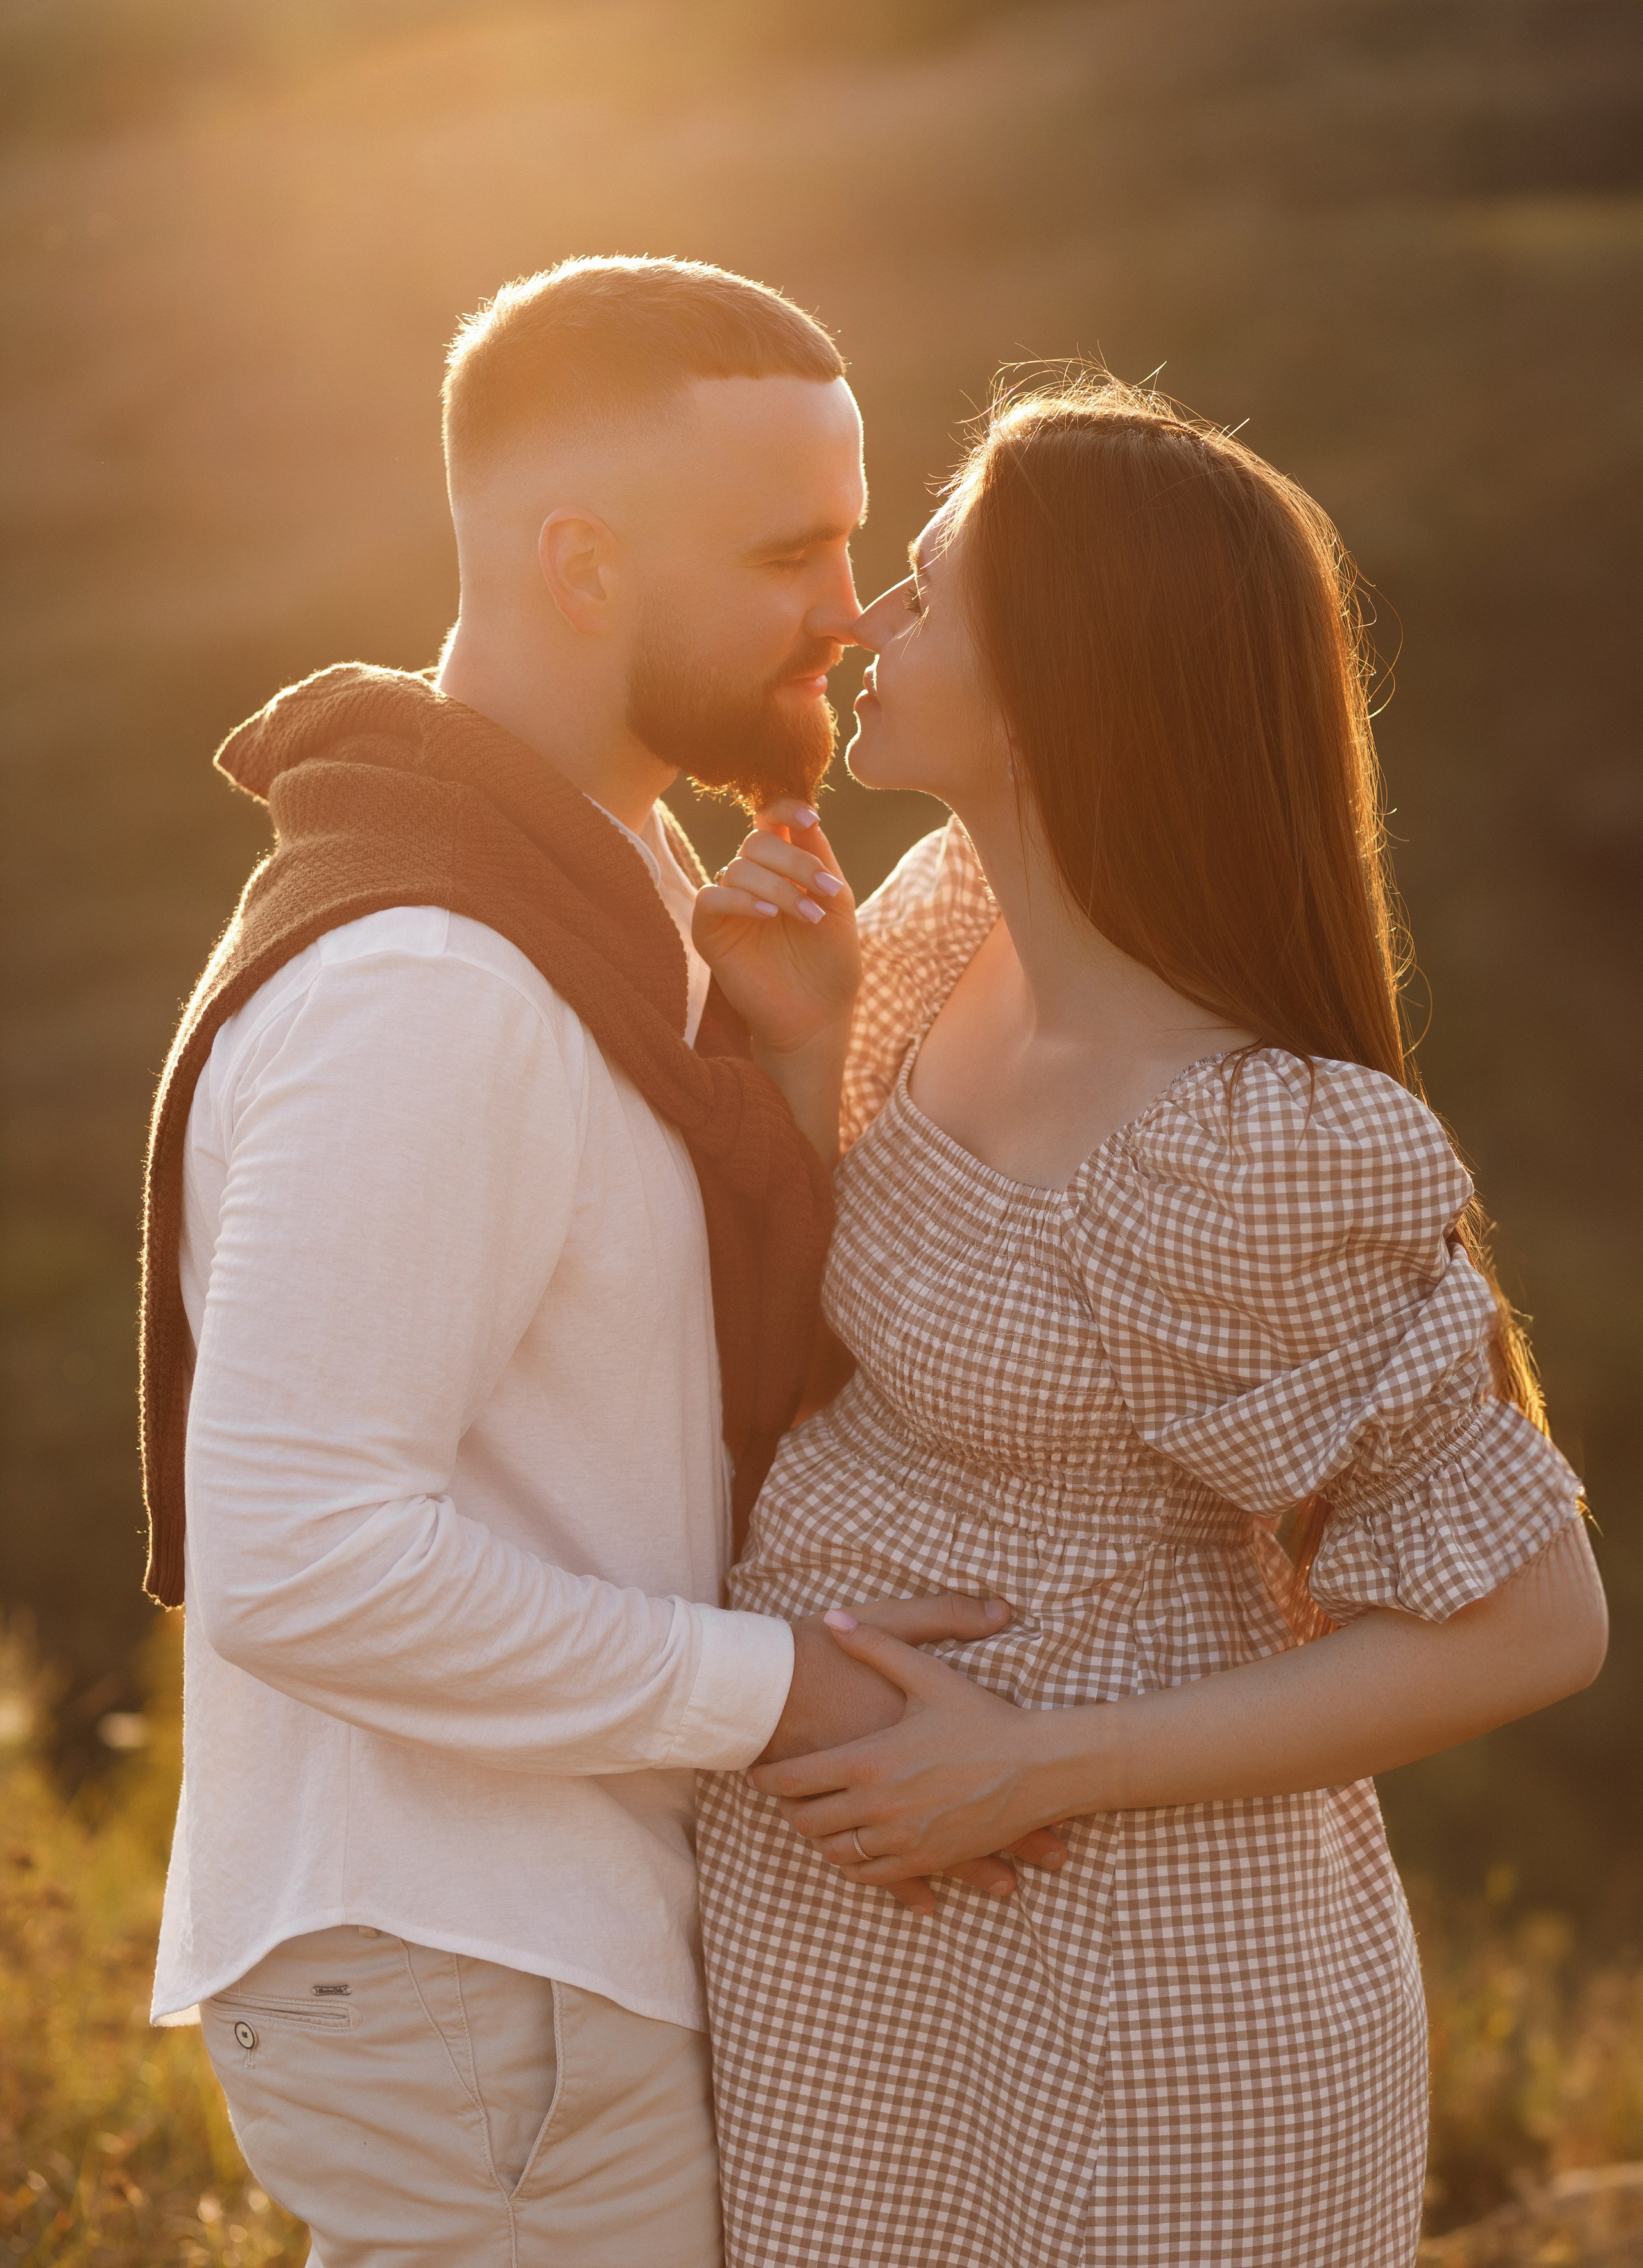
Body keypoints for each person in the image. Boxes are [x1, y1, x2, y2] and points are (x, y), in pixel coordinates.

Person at [135, 255, 1052, 2268]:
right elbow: (300, 1552)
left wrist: (797, 1056)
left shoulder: (614, 892)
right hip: (474, 1975)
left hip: (524, 1952)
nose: (851, 607)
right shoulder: (431, 983)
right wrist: (781, 1687)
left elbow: (639, 1405)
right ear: (581, 564)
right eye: (791, 552)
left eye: (859, 536)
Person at [690, 374, 1609, 2268]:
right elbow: (828, 1351)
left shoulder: (1257, 1150)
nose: (867, 621)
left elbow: (1536, 1626)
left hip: (1137, 1982)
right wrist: (798, 1046)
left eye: (926, 592)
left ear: (1064, 682)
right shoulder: (942, 925)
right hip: (855, 1964)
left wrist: (1030, 1766)